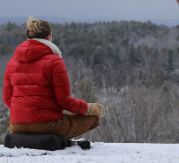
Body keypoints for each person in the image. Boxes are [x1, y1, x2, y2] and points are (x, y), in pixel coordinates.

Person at [3, 16, 105, 144]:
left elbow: (7, 101)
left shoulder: (12, 62)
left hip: (16, 126)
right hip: (47, 125)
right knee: (93, 118)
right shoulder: (55, 61)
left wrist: (25, 114)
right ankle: (58, 141)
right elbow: (64, 102)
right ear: (48, 37)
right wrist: (91, 108)